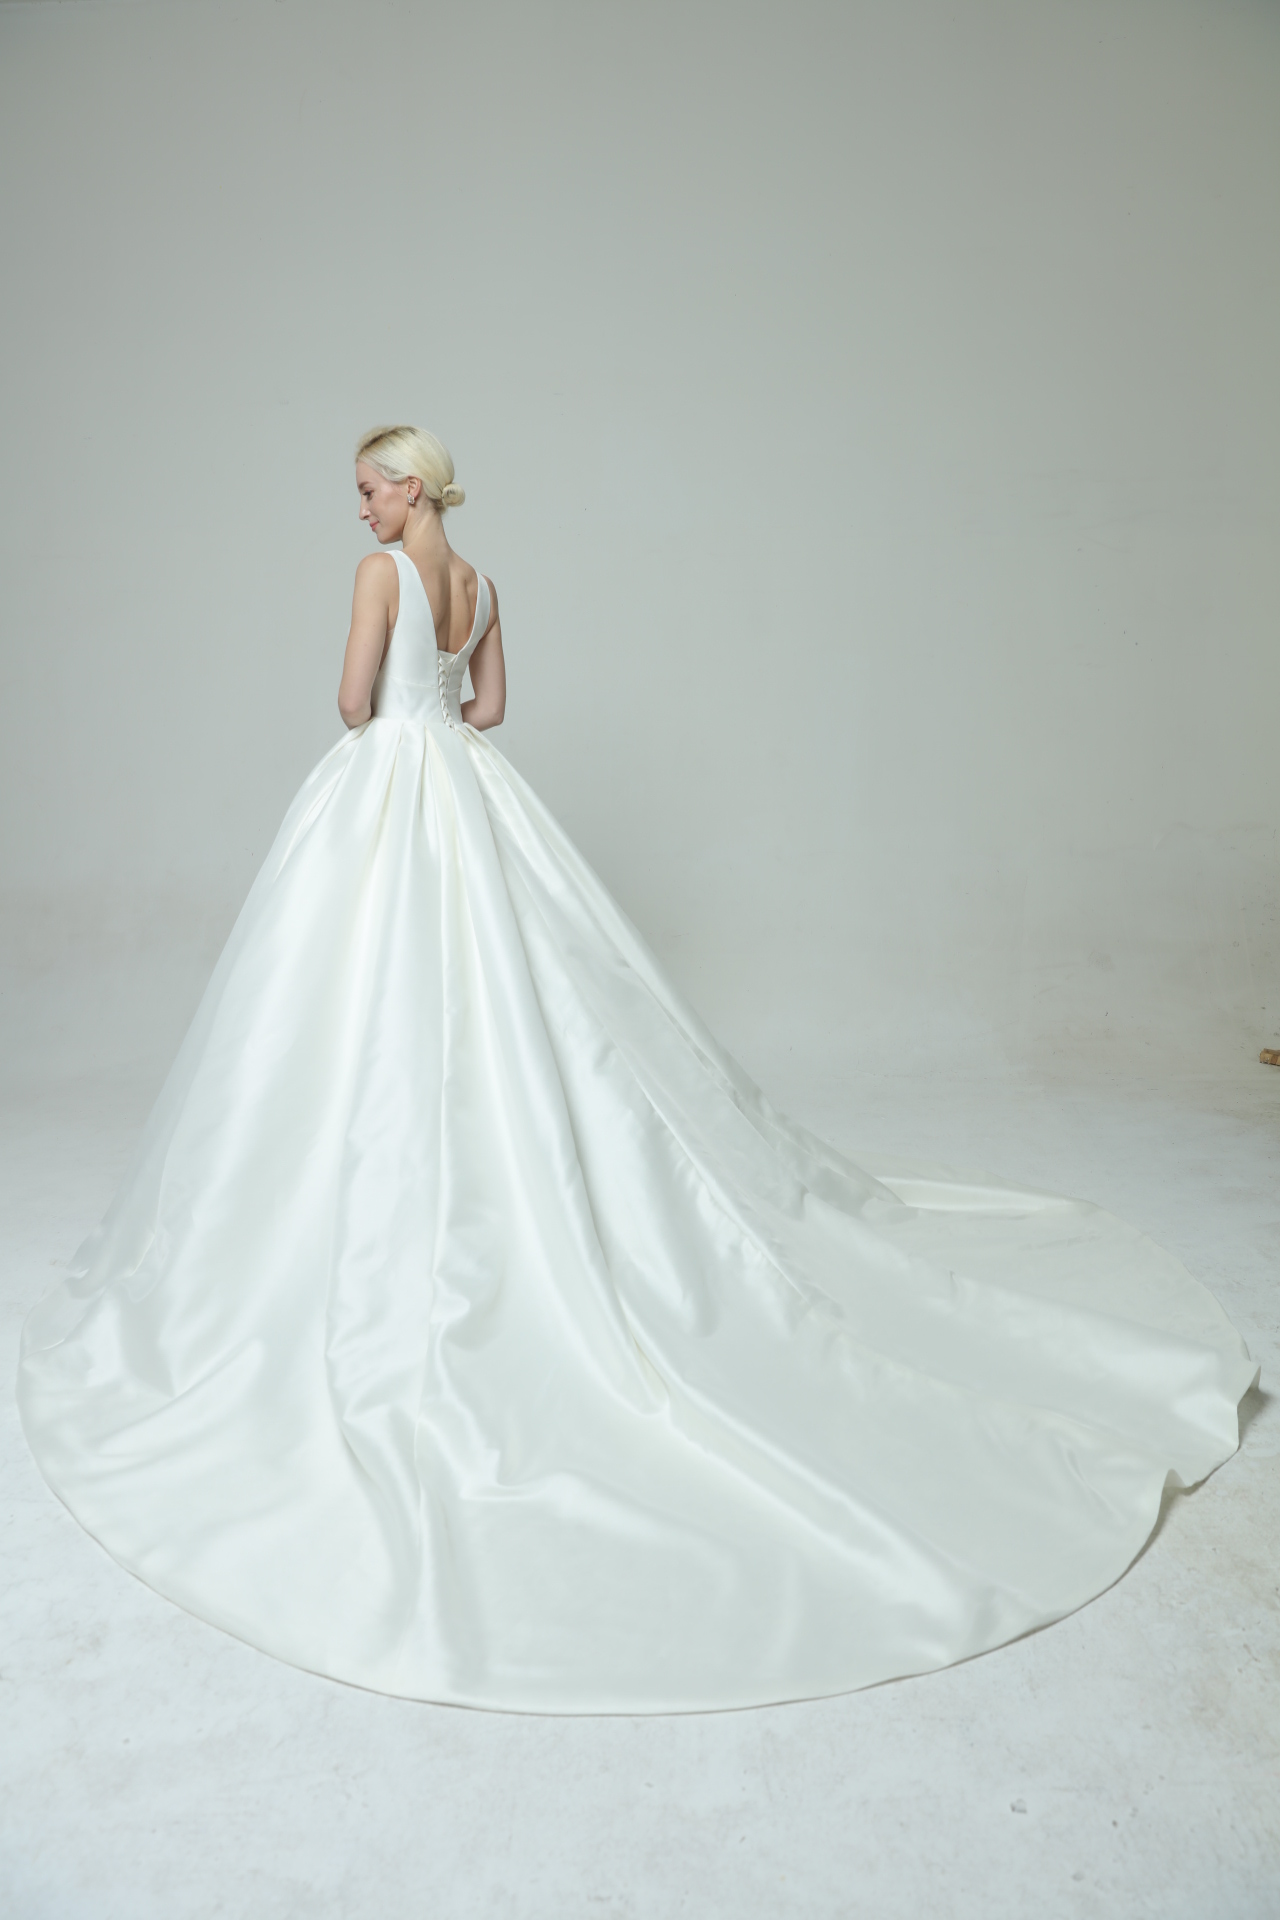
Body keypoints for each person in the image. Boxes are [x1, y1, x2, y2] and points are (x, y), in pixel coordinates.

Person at [18, 426, 1257, 1715]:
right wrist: (437, 704)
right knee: (511, 998)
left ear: (410, 486)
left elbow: (348, 704)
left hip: (385, 795)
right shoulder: (483, 584)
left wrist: (389, 709)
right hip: (469, 798)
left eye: (370, 489)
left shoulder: (380, 575)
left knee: (350, 1004)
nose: (362, 508)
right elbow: (491, 714)